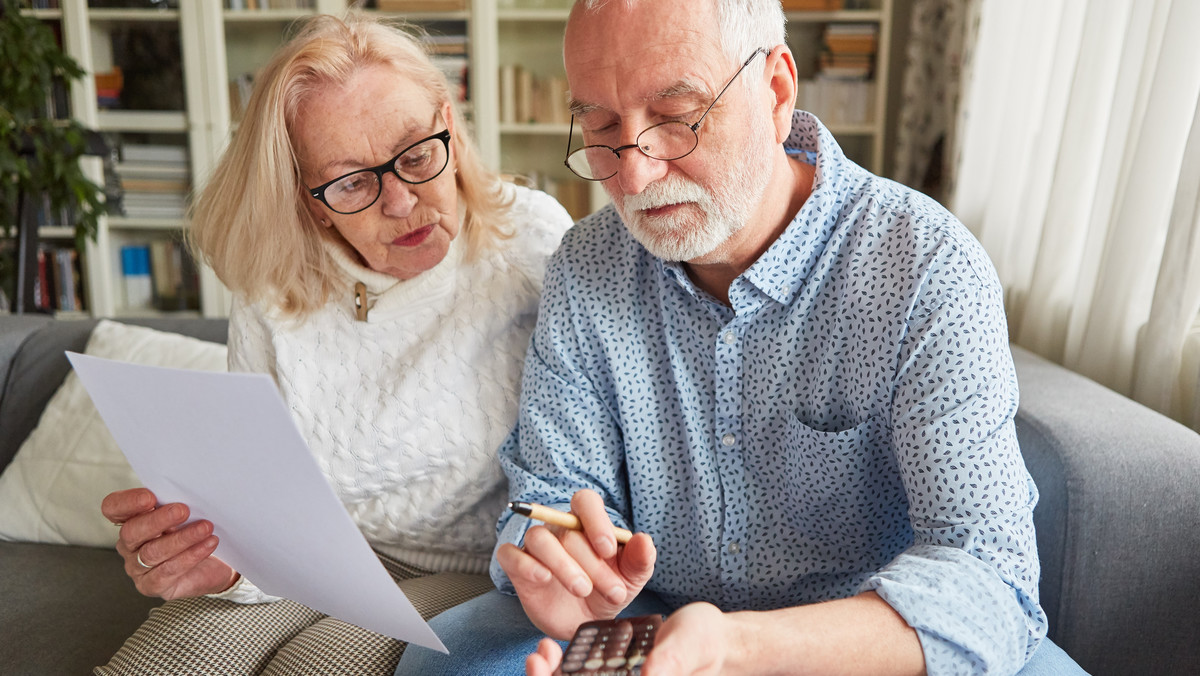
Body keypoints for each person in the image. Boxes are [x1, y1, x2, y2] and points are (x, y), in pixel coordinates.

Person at [397, 1, 1091, 675]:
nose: (633, 175)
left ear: (777, 90)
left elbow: (988, 579)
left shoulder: (924, 265)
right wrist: (557, 562)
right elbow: (551, 492)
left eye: (676, 118)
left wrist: (740, 649)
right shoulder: (586, 266)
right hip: (650, 625)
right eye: (602, 127)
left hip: (861, 641)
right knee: (450, 659)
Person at [97, 13, 572, 675]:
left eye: (416, 154)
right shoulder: (272, 281)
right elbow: (256, 504)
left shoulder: (533, 242)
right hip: (305, 558)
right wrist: (223, 565)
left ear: (450, 124)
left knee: (312, 668)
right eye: (351, 181)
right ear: (310, 198)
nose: (401, 202)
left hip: (467, 567)